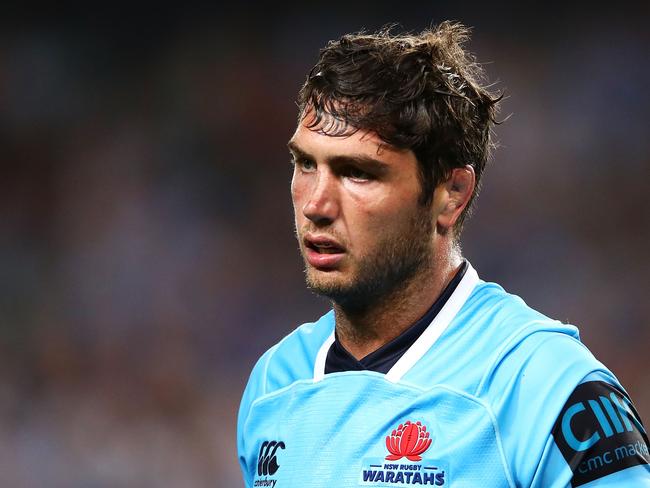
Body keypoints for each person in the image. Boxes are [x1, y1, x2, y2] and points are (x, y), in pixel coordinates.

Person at [237, 22, 650, 487]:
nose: (316, 205)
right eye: (305, 164)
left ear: (450, 193)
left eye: (358, 173)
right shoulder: (274, 383)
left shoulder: (545, 387)